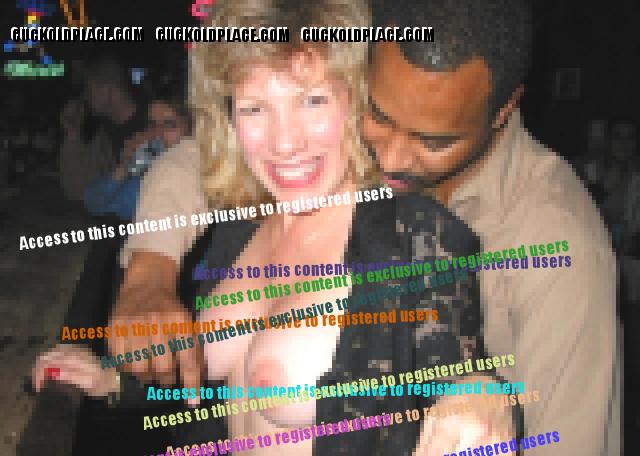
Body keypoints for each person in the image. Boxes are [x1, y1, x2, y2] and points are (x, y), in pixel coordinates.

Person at [37, 0, 519, 454]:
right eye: (254, 108)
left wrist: (481, 396)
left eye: (313, 100)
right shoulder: (241, 224)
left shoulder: (414, 234)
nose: (285, 143)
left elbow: (455, 368)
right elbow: (208, 385)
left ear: (357, 99)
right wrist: (113, 381)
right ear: (228, 116)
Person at [361, 0, 620, 454]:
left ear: (503, 110)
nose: (391, 159)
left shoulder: (561, 247)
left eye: (434, 141)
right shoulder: (349, 148)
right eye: (379, 115)